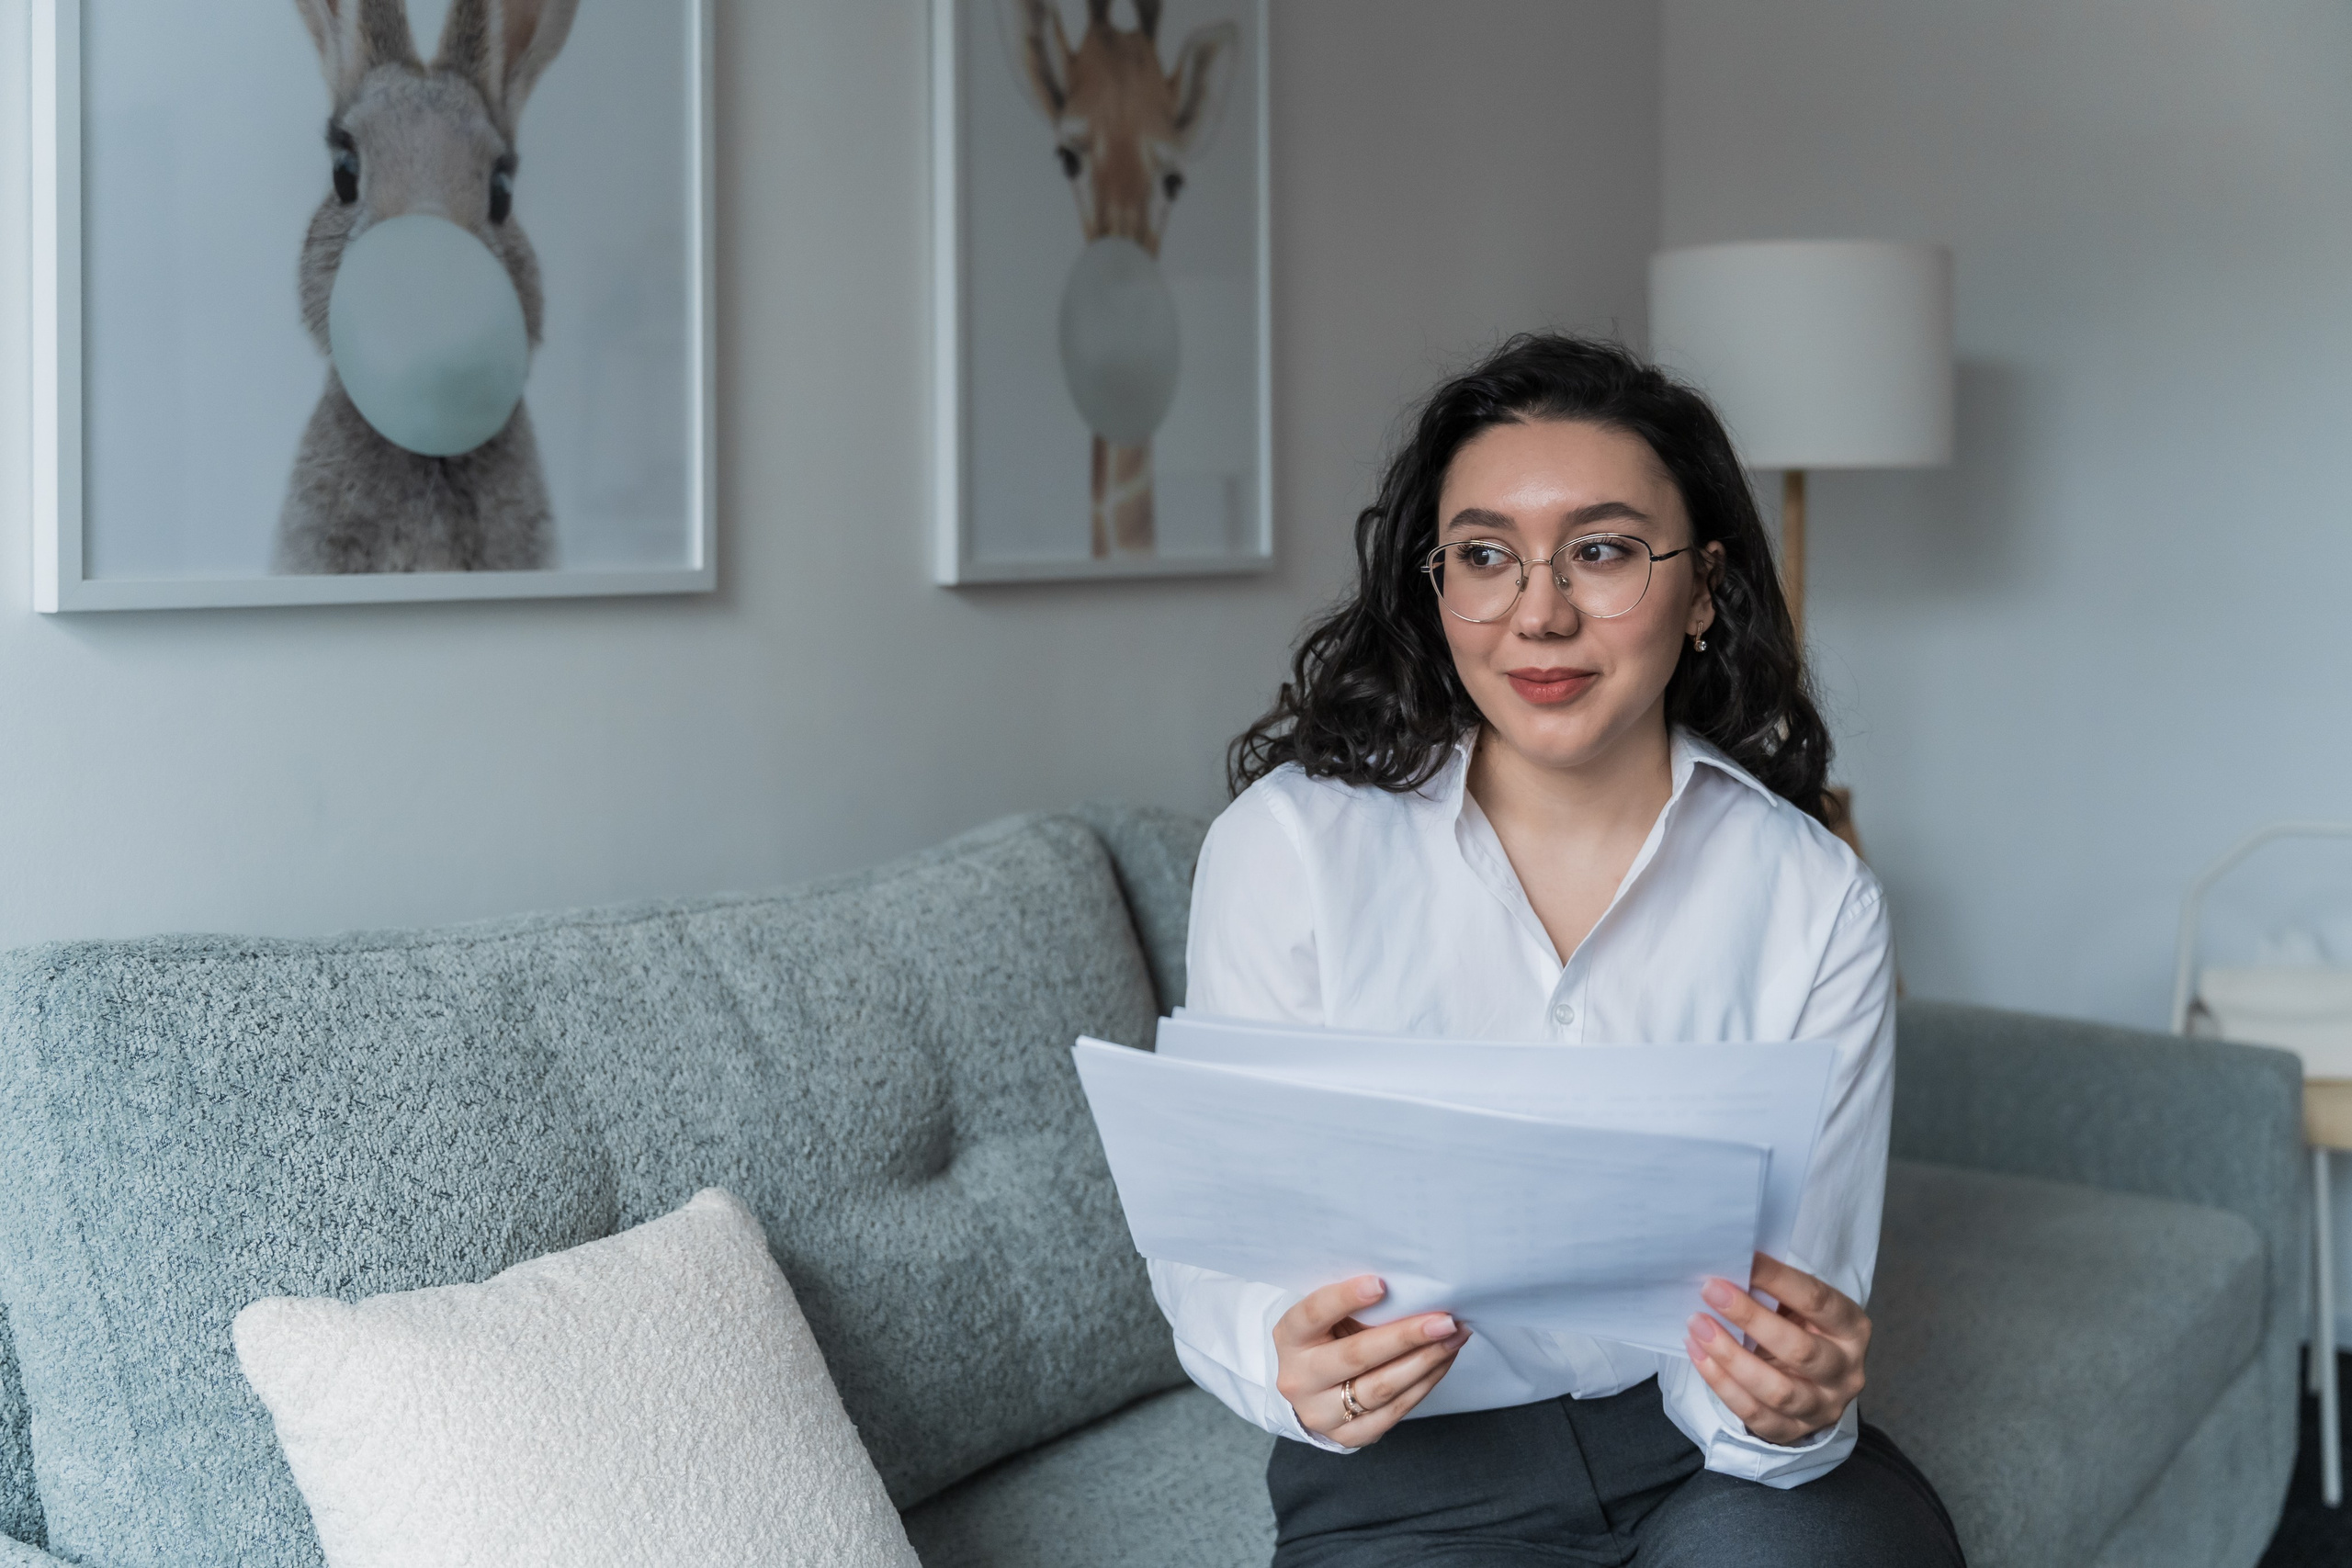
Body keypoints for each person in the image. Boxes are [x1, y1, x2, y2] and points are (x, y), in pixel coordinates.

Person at [1159, 334, 1965, 1565]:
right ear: (1439, 590)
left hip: (1706, 1457)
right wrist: (1285, 1358)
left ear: (1705, 590)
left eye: (1602, 551)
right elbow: (1228, 1246)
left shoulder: (1814, 899)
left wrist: (1791, 1407)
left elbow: (1797, 1305)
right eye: (1486, 555)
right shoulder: (1291, 851)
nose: (1539, 613)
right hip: (1412, 1476)